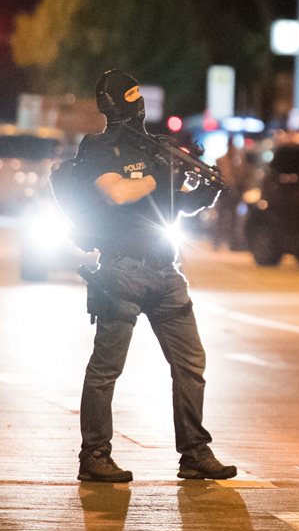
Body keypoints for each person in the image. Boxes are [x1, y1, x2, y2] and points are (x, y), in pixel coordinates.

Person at [70, 69, 236, 484]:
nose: (138, 102)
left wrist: (205, 190)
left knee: (191, 363)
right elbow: (117, 192)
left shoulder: (157, 148)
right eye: (131, 95)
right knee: (106, 369)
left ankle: (195, 452)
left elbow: (172, 206)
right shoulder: (99, 147)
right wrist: (156, 175)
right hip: (121, 271)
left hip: (166, 270)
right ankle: (94, 455)